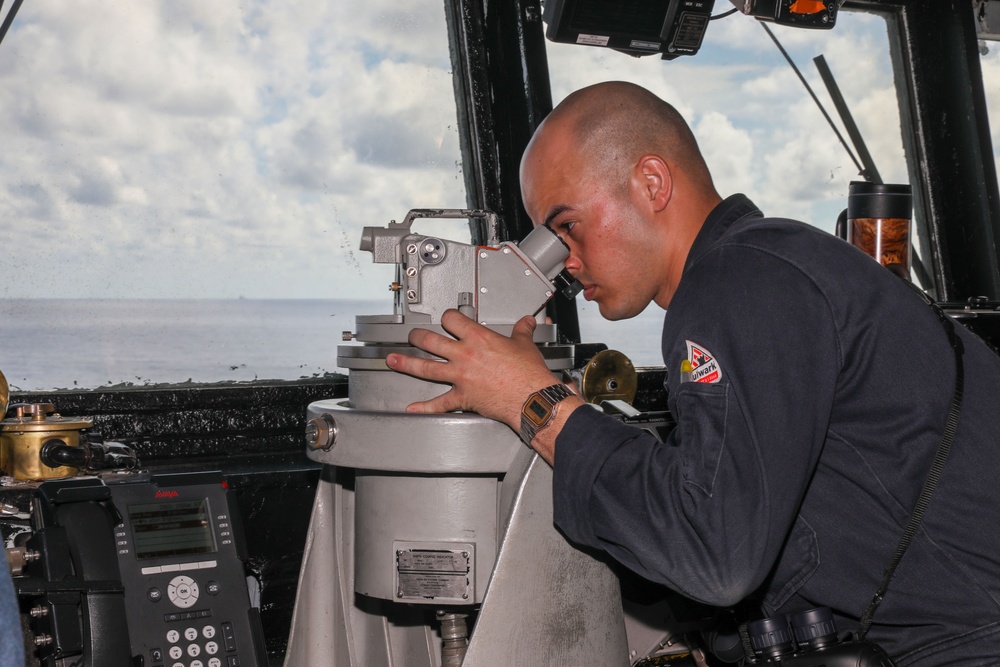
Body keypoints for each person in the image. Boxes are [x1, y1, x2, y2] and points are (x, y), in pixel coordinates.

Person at [385, 81, 1000, 665]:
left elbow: (718, 556)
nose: (565, 265)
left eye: (567, 226)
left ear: (651, 182)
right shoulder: (774, 264)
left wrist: (534, 401)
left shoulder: (738, 284)